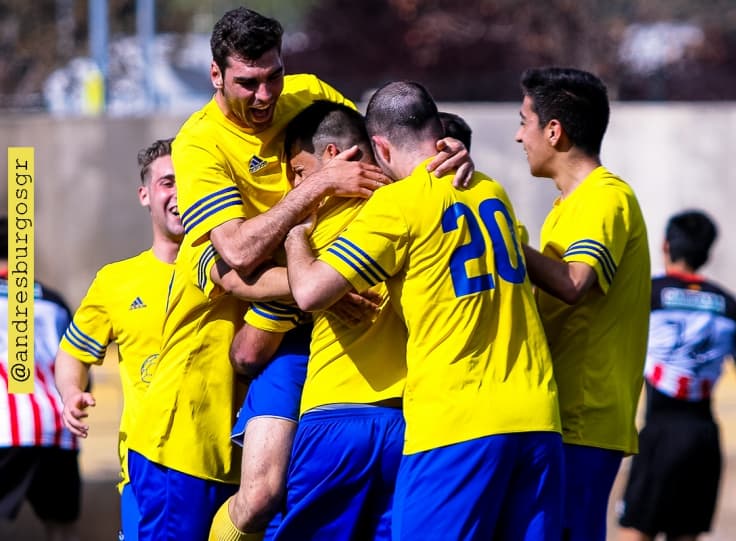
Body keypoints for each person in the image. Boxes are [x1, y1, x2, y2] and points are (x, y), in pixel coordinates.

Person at [125, 8, 472, 541]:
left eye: (273, 77)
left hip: (343, 290)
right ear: (216, 76)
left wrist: (441, 151)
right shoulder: (199, 144)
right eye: (248, 83)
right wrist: (316, 220)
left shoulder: (309, 92)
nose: (265, 96)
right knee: (262, 490)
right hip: (270, 308)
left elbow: (378, 143)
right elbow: (233, 259)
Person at [284, 80, 563, 541]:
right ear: (440, 136)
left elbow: (311, 291)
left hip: (457, 424)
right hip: (538, 418)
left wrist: (297, 235)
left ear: (379, 147)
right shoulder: (491, 190)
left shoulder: (399, 204)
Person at [243, 101, 408, 541]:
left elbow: (250, 343)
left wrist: (297, 237)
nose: (297, 184)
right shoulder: (410, 202)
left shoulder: (315, 228)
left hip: (335, 417)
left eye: (298, 171)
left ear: (332, 155)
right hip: (408, 419)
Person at [515, 66, 651, 541]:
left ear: (554, 130)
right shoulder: (567, 205)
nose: (518, 136)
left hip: (585, 418)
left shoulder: (604, 197)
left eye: (524, 121)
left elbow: (574, 283)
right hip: (563, 415)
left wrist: (504, 243)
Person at [617, 210, 736, 541]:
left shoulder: (648, 295)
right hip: (703, 438)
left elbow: (618, 356)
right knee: (687, 534)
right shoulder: (729, 304)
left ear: (665, 246)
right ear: (707, 254)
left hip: (658, 434)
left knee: (635, 531)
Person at [54, 138, 183, 540]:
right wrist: (70, 392)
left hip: (231, 464)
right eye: (168, 182)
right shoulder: (116, 281)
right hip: (149, 466)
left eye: (190, 181)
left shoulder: (234, 272)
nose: (180, 193)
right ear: (145, 195)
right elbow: (72, 353)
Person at [0, 216, 79, 541]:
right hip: (56, 429)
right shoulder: (54, 300)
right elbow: (76, 370)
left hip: (5, 426)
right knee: (60, 529)